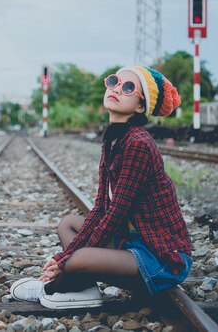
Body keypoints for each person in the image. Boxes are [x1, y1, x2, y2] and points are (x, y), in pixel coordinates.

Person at [10, 65, 192, 309]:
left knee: (79, 258)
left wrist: (63, 261)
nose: (117, 88)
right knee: (68, 224)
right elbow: (100, 208)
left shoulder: (138, 143)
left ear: (140, 106)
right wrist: (63, 256)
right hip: (133, 241)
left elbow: (116, 213)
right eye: (114, 81)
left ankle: (50, 287)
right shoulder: (114, 139)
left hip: (160, 256)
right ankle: (81, 287)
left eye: (128, 87)